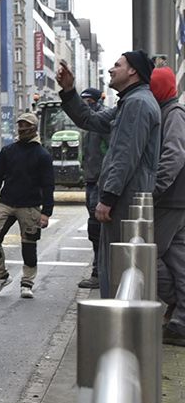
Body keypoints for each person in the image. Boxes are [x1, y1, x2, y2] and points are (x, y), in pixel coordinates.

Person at [61, 54, 162, 290]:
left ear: (133, 72)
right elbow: (90, 120)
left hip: (126, 199)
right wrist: (68, 91)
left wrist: (108, 197)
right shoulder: (128, 102)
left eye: (117, 65)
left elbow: (124, 155)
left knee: (118, 267)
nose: (110, 70)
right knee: (116, 264)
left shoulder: (137, 104)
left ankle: (117, 322)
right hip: (125, 196)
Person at [0, 116, 56, 298]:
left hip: (31, 206)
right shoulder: (8, 151)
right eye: (20, 125)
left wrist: (46, 212)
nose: (22, 129)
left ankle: (27, 283)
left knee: (29, 245)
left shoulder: (43, 155)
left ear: (34, 128)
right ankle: (1, 276)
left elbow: (48, 185)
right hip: (6, 202)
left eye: (26, 126)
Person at [149, 67, 185, 345]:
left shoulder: (173, 115)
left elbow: (173, 155)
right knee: (176, 257)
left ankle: (176, 305)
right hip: (176, 198)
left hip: (172, 199)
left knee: (149, 252)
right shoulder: (170, 112)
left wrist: (155, 189)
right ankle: (179, 318)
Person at [76, 87, 108, 289]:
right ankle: (99, 271)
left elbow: (110, 152)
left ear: (96, 101)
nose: (85, 104)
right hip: (91, 179)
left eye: (88, 101)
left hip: (99, 181)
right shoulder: (90, 125)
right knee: (94, 228)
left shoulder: (102, 122)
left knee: (98, 228)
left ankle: (99, 273)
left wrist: (102, 178)